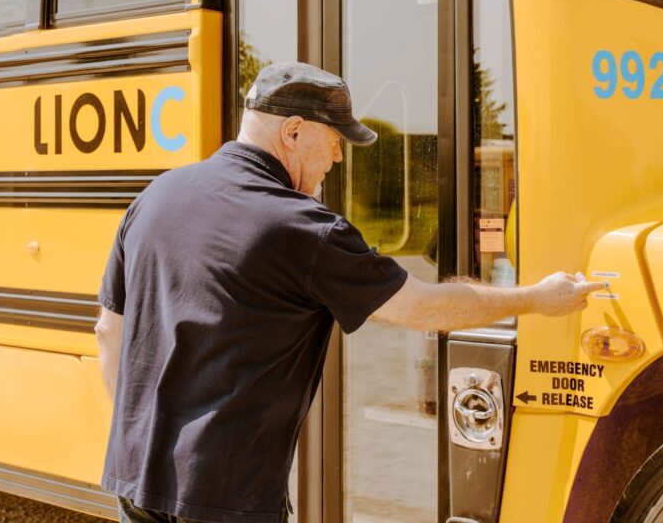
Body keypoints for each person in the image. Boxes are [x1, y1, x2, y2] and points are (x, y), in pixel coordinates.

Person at [95, 62, 607, 523]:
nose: (339, 157)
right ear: (293, 132)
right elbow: (423, 308)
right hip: (224, 494)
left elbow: (107, 330)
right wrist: (536, 297)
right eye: (335, 138)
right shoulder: (301, 228)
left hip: (131, 479)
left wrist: (139, 437)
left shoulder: (155, 197)